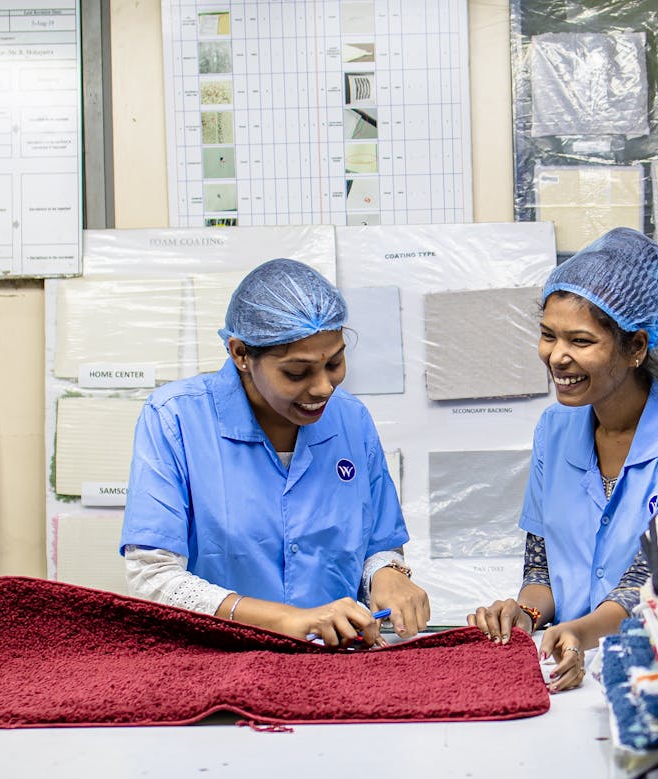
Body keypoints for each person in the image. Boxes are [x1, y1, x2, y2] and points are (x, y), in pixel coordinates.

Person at [467, 228, 658, 691]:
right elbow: (542, 567)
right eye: (548, 335)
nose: (557, 357)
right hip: (564, 671)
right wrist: (525, 614)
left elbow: (651, 580)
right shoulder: (554, 428)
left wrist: (578, 633)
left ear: (636, 347)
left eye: (581, 341)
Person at [119, 258, 429, 647]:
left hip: (336, 660)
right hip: (215, 659)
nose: (323, 388)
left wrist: (388, 575)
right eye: (296, 373)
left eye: (334, 363)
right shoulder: (174, 419)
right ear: (240, 354)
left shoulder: (351, 419)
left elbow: (378, 545)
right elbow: (153, 578)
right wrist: (283, 619)